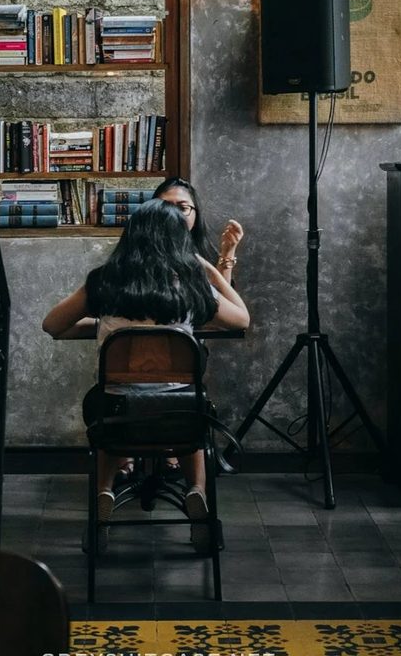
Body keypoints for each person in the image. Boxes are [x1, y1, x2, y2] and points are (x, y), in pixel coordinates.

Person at [43, 198, 249, 552]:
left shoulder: (105, 282)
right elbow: (242, 319)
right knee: (190, 405)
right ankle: (197, 496)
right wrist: (214, 272)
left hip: (118, 416)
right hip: (179, 418)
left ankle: (104, 497)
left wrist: (108, 328)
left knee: (110, 404)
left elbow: (52, 325)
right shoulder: (188, 286)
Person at [154, 177, 245, 285]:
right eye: (166, 207)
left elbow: (222, 298)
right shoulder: (136, 253)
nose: (174, 214)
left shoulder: (205, 253)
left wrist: (228, 252)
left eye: (182, 208)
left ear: (196, 214)